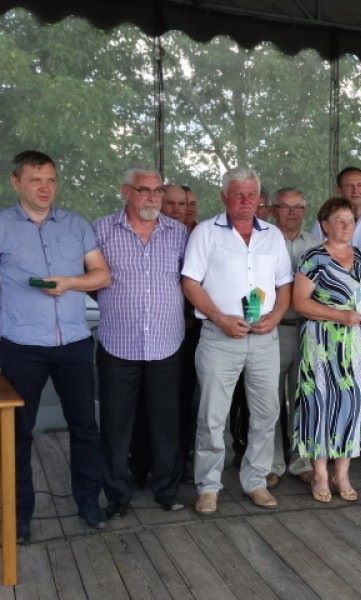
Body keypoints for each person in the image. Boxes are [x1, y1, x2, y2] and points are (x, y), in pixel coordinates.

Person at [0, 150, 111, 542]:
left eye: (51, 179)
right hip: (20, 346)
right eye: (35, 180)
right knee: (18, 433)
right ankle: (19, 515)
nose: (45, 187)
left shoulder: (77, 225)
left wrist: (69, 282)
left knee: (84, 427)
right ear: (16, 182)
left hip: (74, 343)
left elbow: (102, 275)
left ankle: (88, 503)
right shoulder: (2, 226)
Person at [182, 167, 292, 513]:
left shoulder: (272, 235)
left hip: (264, 339)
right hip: (219, 337)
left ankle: (256, 480)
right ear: (224, 197)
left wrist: (274, 317)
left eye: (251, 195)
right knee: (212, 416)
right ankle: (209, 485)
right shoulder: (205, 233)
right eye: (237, 194)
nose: (245, 201)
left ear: (260, 199)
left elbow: (284, 285)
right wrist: (220, 318)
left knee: (266, 413)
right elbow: (190, 283)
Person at [93, 168, 188, 517]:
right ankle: (118, 496)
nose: (151, 197)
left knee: (166, 424)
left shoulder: (178, 234)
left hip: (166, 343)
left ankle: (166, 490)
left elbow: (190, 282)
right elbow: (91, 277)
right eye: (143, 190)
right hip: (118, 343)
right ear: (125, 191)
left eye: (157, 191)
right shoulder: (101, 230)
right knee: (116, 426)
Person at [293, 197, 361, 503]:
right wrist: (339, 315)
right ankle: (319, 473)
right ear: (325, 225)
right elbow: (300, 302)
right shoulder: (313, 257)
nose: (345, 226)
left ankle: (341, 474)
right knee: (320, 401)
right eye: (339, 220)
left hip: (356, 344)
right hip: (322, 343)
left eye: (350, 220)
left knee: (351, 402)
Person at [267, 187, 319, 485]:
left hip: (307, 328)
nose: (292, 212)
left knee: (302, 397)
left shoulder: (315, 245)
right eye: (285, 207)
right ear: (274, 209)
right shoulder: (262, 240)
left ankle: (301, 461)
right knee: (269, 400)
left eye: (298, 207)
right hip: (272, 329)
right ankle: (272, 463)